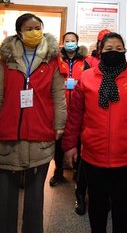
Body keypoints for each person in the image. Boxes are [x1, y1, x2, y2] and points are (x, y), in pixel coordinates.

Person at [62, 32, 127, 233]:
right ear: (99, 51)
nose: (113, 52)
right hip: (93, 155)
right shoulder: (87, 78)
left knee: (122, 205)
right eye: (108, 49)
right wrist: (70, 145)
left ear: (124, 52)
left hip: (126, 156)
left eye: (118, 49)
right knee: (97, 204)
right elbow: (75, 115)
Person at [0, 13, 66, 233]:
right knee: (5, 195)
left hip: (41, 133)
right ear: (19, 32)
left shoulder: (53, 59)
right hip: (8, 134)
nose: (34, 32)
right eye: (29, 28)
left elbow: (58, 96)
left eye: (38, 27)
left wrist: (60, 125)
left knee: (35, 195)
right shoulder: (7, 60)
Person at [50, 31, 88, 187]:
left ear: (77, 43)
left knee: (78, 140)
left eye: (73, 40)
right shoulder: (56, 60)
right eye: (67, 40)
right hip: (60, 106)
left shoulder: (86, 62)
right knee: (58, 141)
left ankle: (77, 172)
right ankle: (58, 170)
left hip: (79, 108)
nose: (70, 43)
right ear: (63, 42)